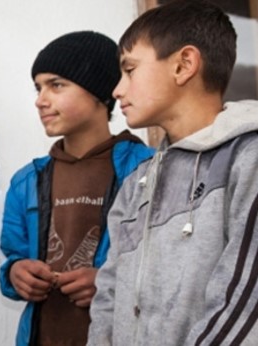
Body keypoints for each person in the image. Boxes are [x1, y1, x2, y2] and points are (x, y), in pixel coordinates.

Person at [88, 1, 258, 345]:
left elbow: (246, 298)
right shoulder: (137, 182)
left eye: (130, 70)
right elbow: (108, 292)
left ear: (183, 65)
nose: (117, 90)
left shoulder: (248, 159)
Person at [0, 31, 154, 346]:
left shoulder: (147, 169)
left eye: (56, 85)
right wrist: (15, 273)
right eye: (38, 87)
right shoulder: (26, 181)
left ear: (101, 92)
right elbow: (13, 255)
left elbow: (172, 266)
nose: (40, 100)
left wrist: (111, 283)